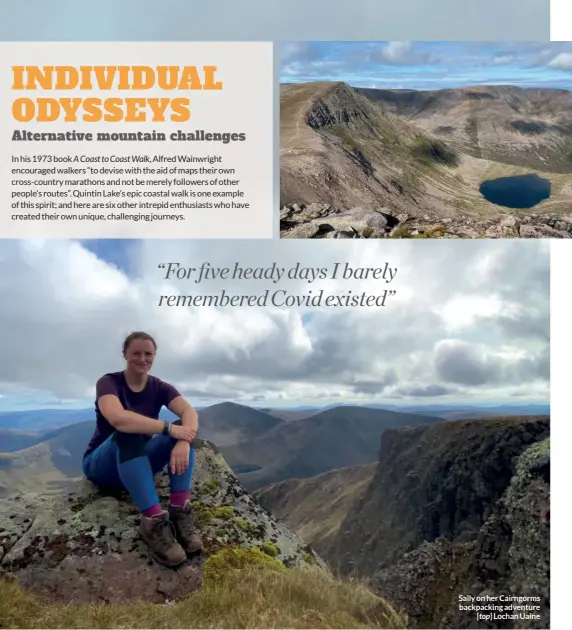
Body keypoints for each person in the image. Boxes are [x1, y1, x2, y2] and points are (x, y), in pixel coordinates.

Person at [82, 331, 203, 567]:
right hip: (102, 465)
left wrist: (183, 441)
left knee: (184, 428)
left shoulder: (159, 387)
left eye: (148, 354)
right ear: (125, 354)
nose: (142, 359)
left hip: (136, 463)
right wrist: (169, 429)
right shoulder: (108, 383)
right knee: (129, 433)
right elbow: (118, 419)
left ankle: (179, 510)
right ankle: (153, 521)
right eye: (136, 353)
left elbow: (190, 413)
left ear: (154, 356)